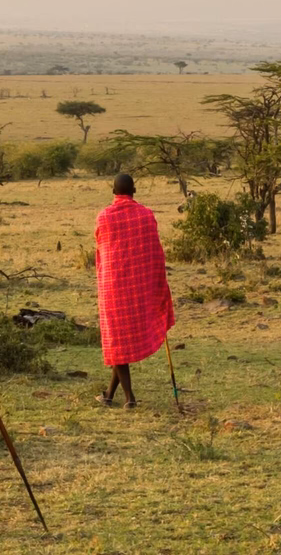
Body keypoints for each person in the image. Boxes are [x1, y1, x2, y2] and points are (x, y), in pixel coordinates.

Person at [93, 173, 175, 407]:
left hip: (113, 288)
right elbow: (156, 253)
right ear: (134, 190)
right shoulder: (146, 215)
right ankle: (109, 395)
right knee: (118, 344)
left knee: (117, 342)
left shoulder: (104, 217)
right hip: (138, 288)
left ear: (113, 191)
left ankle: (129, 399)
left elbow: (100, 246)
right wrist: (158, 284)